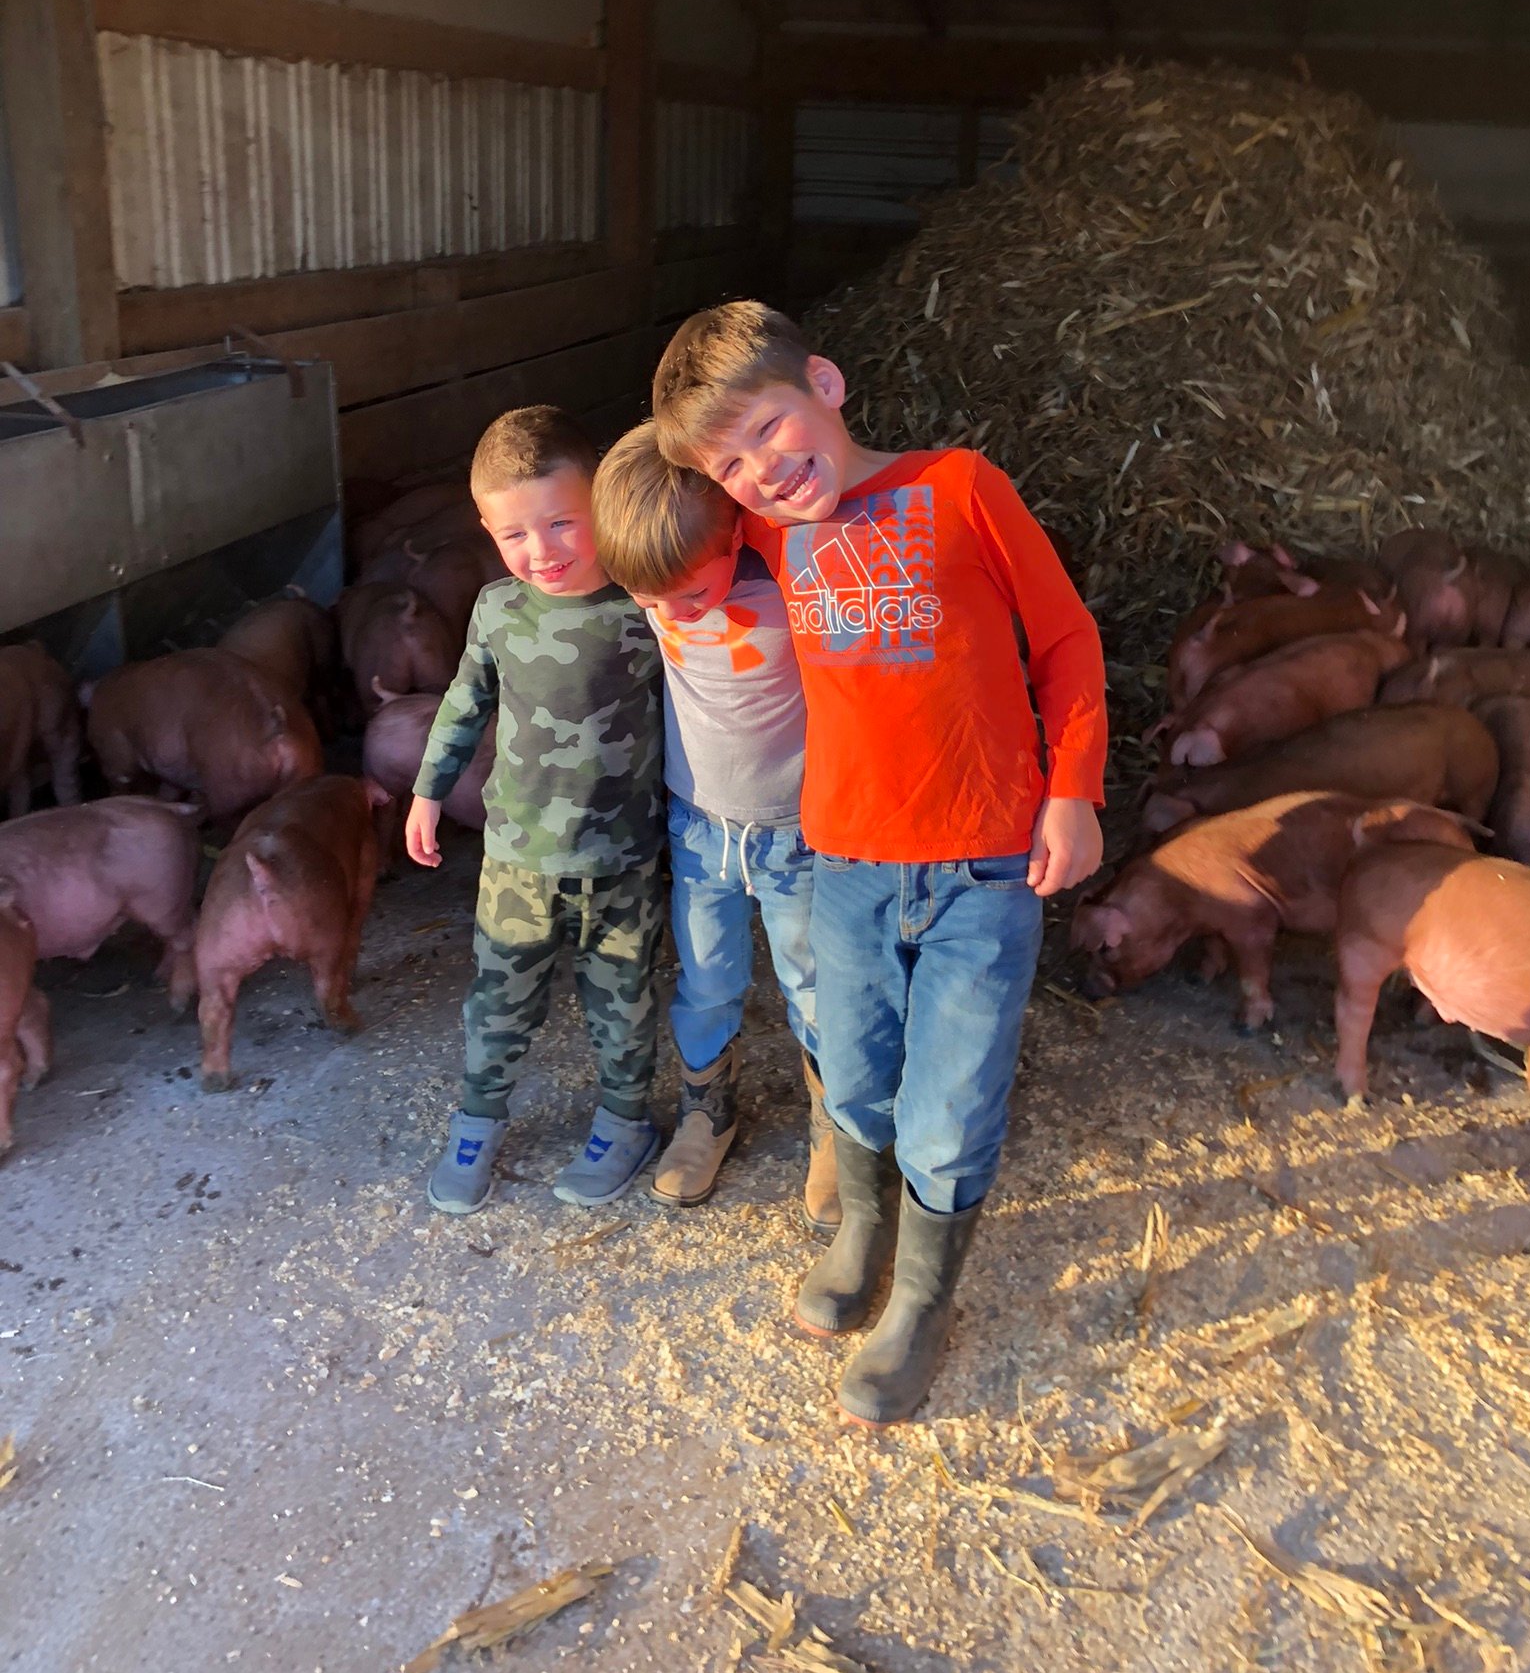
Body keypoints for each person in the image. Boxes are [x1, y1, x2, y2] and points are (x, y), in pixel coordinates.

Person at [652, 301, 1108, 1425]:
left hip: (983, 864)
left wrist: (1075, 789)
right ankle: (861, 1225)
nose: (763, 469)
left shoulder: (962, 485)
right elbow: (649, 512)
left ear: (825, 380)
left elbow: (1065, 637)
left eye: (768, 426)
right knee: (849, 1065)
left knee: (950, 1096)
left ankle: (921, 1299)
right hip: (843, 859)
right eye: (733, 463)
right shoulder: (760, 533)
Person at [406, 405, 664, 1214]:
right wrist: (426, 791)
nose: (542, 552)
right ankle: (478, 1121)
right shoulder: (496, 610)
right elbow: (462, 702)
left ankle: (625, 1123)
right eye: (515, 535)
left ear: (604, 507)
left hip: (623, 856)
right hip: (517, 857)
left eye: (563, 523)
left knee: (623, 1000)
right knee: (498, 999)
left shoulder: (648, 607)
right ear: (485, 527)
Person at [591, 421, 837, 1230]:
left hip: (795, 831)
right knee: (706, 978)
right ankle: (707, 1113)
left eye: (689, 594)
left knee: (811, 980)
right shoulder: (657, 578)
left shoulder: (794, 586)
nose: (669, 611)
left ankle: (834, 1129)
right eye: (648, 598)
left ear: (737, 533)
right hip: (700, 828)